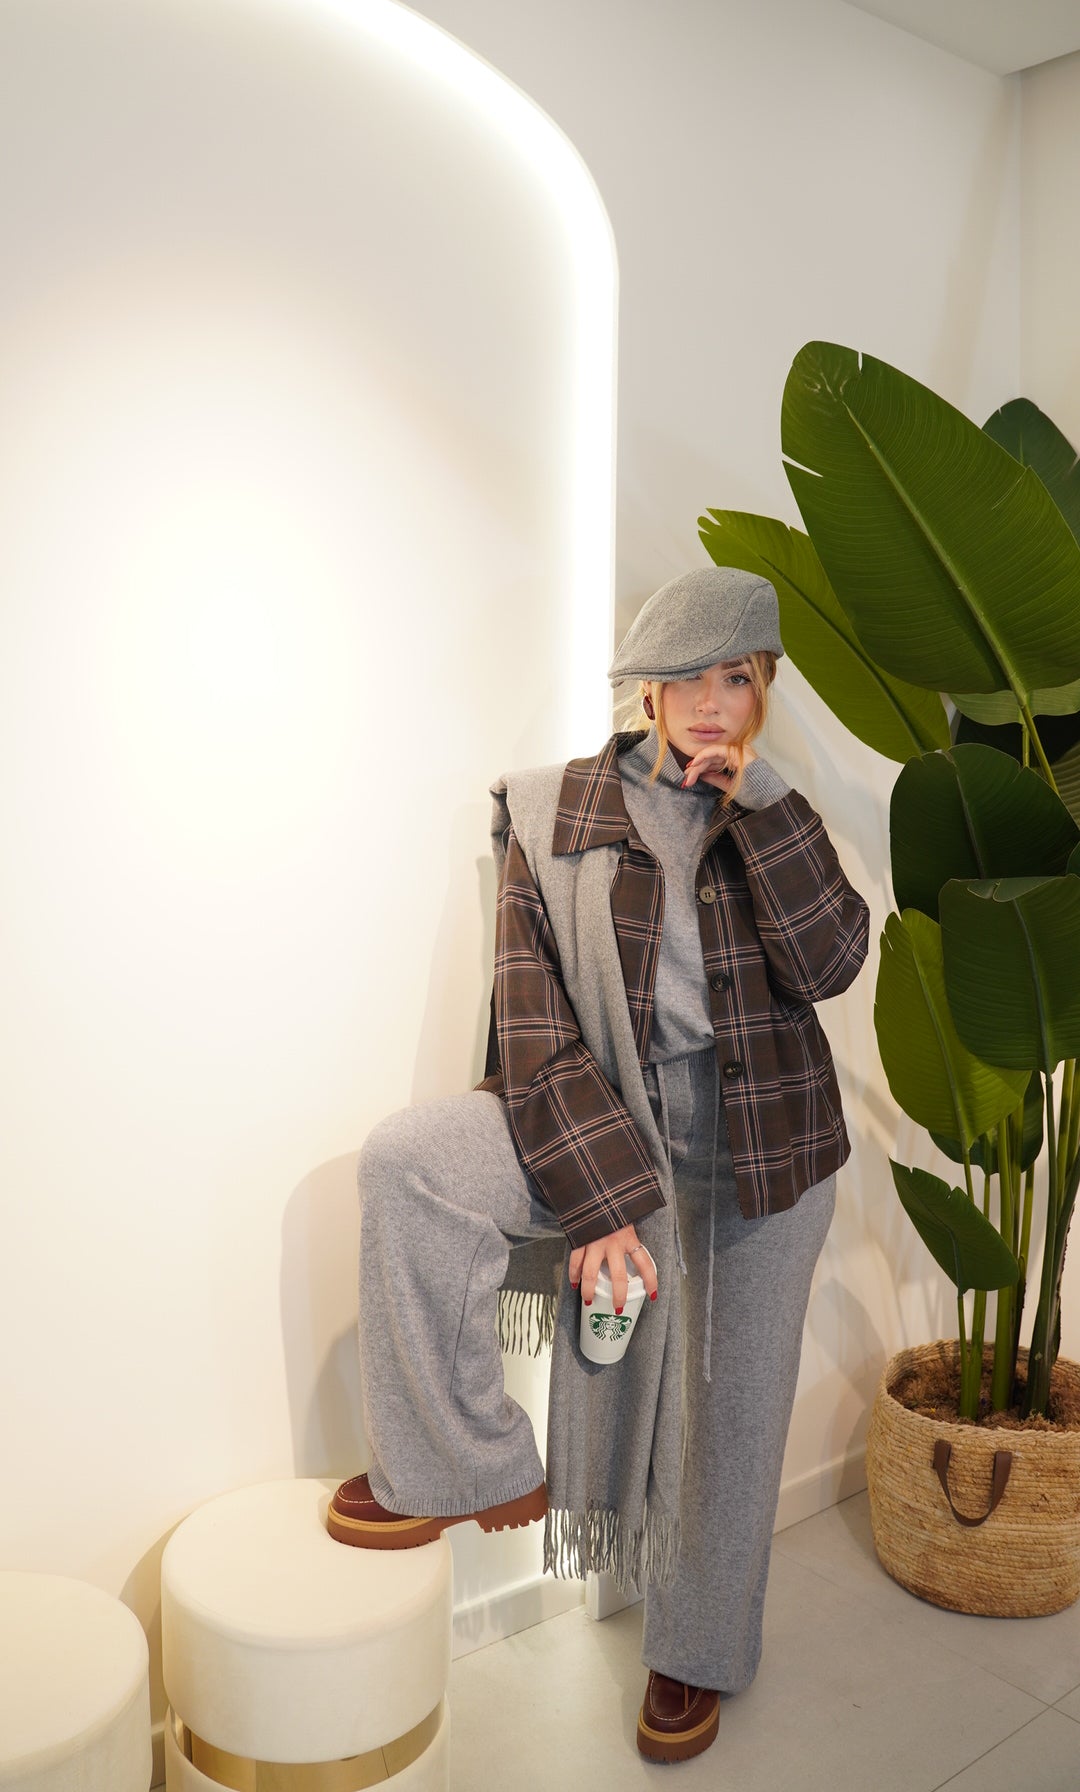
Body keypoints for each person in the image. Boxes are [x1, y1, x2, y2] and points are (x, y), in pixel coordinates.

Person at [327, 565, 869, 1764]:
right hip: (602, 1116)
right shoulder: (550, 810)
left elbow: (832, 963)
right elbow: (531, 1024)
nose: (715, 704)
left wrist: (762, 805)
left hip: (765, 1147)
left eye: (740, 678)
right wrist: (606, 1204)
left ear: (762, 691)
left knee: (731, 1415)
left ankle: (695, 1651)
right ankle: (461, 1464)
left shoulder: (770, 810)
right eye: (691, 678)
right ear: (648, 689)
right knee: (410, 1162)